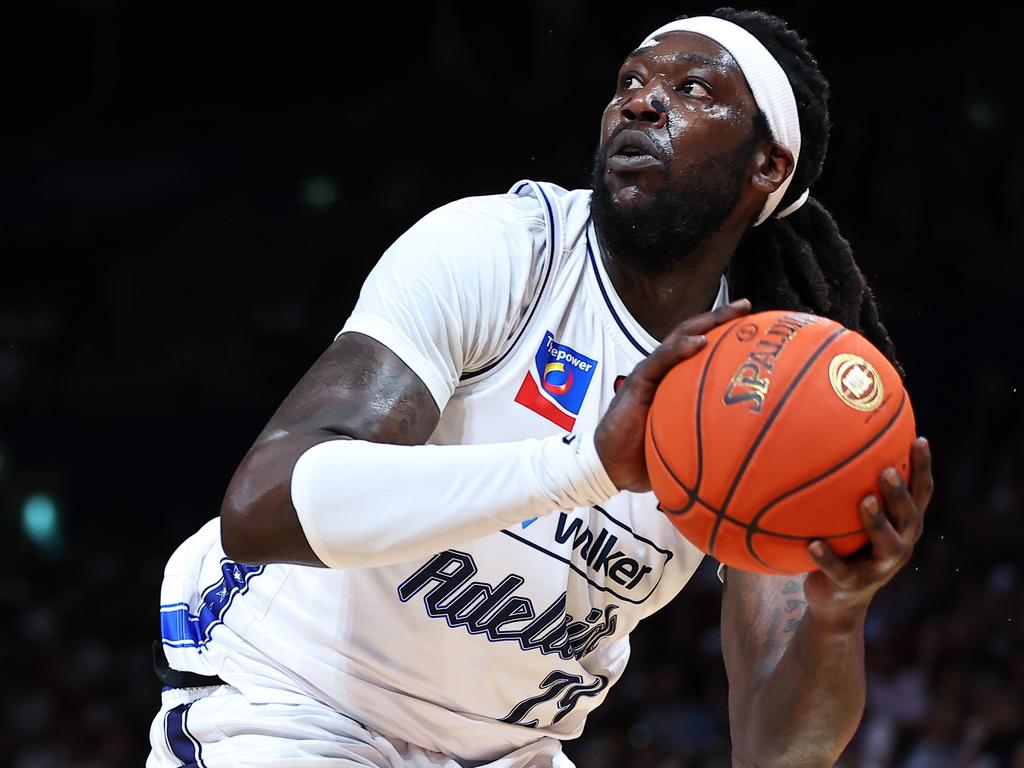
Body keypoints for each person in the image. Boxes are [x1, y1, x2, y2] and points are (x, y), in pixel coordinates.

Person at [147, 8, 933, 768]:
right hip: (297, 702)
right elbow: (261, 508)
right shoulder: (502, 252)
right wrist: (584, 466)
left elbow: (774, 753)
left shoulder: (759, 387)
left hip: (510, 751)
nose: (641, 98)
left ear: (769, 167)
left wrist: (836, 613)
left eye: (693, 88)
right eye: (630, 78)